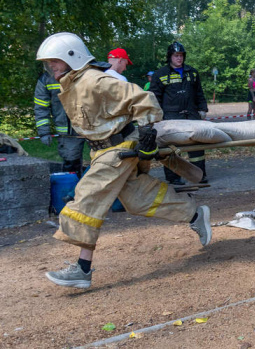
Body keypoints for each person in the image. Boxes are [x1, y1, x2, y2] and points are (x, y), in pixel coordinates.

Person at [35, 32, 211, 289]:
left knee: (88, 196)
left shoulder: (95, 80)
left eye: (55, 61)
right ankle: (195, 214)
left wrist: (148, 132)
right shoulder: (71, 83)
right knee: (138, 199)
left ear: (71, 57)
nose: (51, 67)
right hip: (101, 150)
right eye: (48, 63)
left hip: (119, 148)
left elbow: (144, 99)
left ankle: (82, 269)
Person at [149, 42, 209, 185]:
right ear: (170, 56)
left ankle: (199, 176)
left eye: (181, 55)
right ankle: (174, 178)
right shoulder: (160, 75)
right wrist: (157, 116)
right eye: (176, 55)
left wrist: (203, 108)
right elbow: (154, 97)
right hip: (171, 117)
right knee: (171, 149)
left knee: (197, 146)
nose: (179, 58)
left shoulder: (192, 72)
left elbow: (199, 93)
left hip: (192, 114)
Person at [34, 69, 85, 175]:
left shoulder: (84, 72)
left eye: (55, 61)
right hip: (69, 132)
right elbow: (41, 108)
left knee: (102, 161)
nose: (51, 65)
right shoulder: (46, 80)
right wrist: (44, 132)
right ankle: (71, 190)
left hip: (94, 126)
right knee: (71, 165)